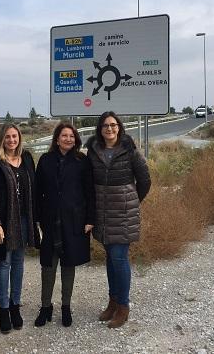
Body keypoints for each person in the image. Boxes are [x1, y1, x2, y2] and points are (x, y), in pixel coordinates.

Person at [85, 111, 151, 329]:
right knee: (110, 258)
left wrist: (130, 201)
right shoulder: (93, 151)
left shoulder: (129, 150)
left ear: (119, 127)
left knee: (119, 257)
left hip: (123, 214)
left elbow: (145, 180)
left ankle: (123, 307)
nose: (109, 129)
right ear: (100, 129)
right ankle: (112, 302)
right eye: (105, 126)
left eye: (113, 125)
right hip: (102, 214)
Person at [34, 122, 95, 327]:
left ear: (76, 139)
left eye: (71, 136)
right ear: (57, 138)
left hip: (74, 220)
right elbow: (37, 192)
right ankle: (45, 307)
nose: (68, 139)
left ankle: (66, 307)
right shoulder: (45, 160)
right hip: (50, 221)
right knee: (48, 265)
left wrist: (89, 219)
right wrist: (37, 218)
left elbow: (89, 192)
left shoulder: (81, 160)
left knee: (69, 264)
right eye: (64, 135)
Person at [0, 123, 39, 334]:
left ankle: (15, 305)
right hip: (5, 222)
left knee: (18, 262)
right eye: (7, 137)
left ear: (19, 138)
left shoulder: (26, 159)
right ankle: (3, 309)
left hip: (24, 220)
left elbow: (33, 190)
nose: (11, 140)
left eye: (14, 136)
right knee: (4, 263)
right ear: (2, 139)